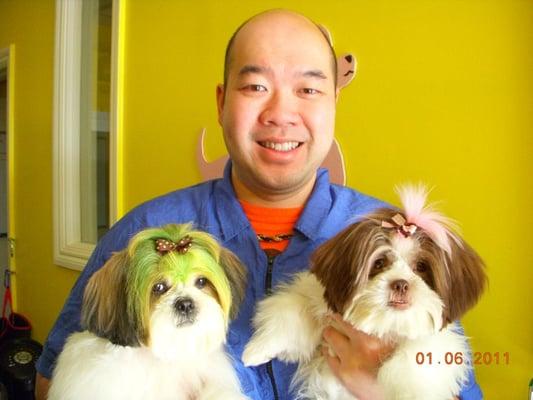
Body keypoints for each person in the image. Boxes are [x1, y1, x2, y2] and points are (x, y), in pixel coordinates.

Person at [35, 9, 482, 400]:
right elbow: (52, 379)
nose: (280, 112)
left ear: (334, 102)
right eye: (255, 86)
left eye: (308, 90)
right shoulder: (143, 231)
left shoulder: (396, 237)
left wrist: (377, 388)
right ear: (221, 101)